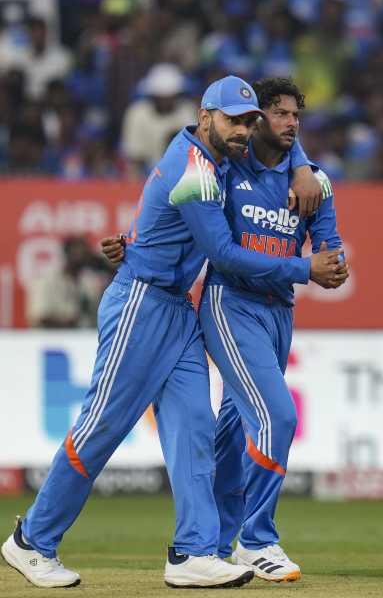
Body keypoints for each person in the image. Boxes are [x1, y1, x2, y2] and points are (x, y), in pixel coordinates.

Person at [0, 75, 339, 589]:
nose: (245, 131)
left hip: (179, 309)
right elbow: (223, 253)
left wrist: (301, 165)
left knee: (193, 431)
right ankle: (32, 540)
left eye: (250, 122)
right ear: (206, 116)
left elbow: (282, 137)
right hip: (141, 302)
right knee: (102, 428)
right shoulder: (197, 168)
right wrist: (303, 269)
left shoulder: (220, 155)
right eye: (234, 120)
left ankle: (192, 553)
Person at [101, 77, 348, 583]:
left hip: (279, 312)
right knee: (278, 416)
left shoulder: (314, 183)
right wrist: (136, 242)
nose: (289, 124)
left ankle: (205, 546)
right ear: (254, 120)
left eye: (295, 117)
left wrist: (331, 261)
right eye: (277, 114)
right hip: (229, 304)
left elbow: (330, 248)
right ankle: (259, 541)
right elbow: (180, 210)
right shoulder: (227, 165)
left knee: (235, 432)